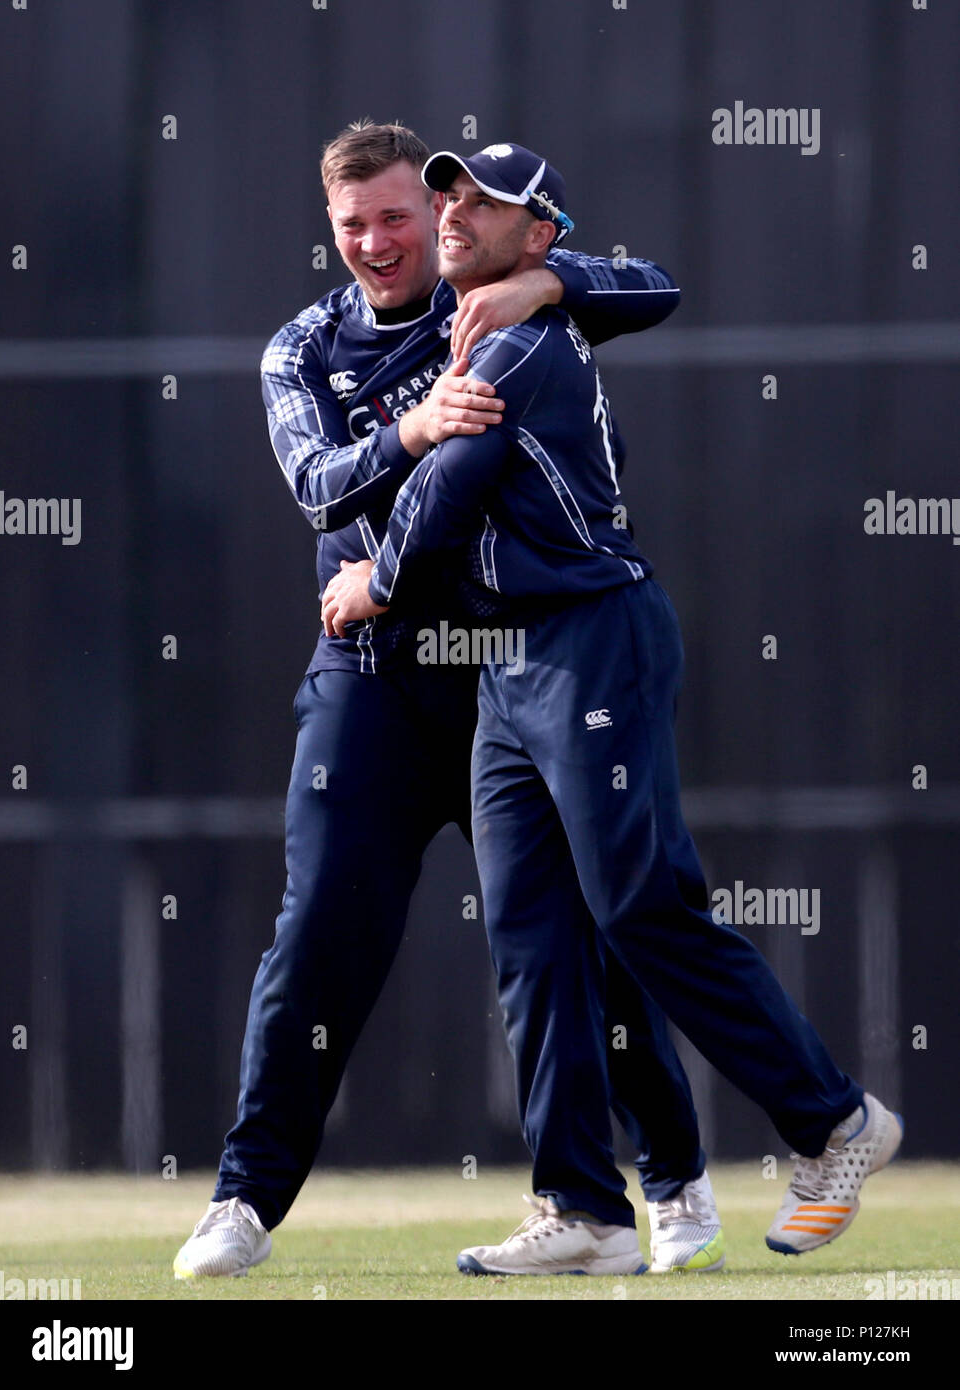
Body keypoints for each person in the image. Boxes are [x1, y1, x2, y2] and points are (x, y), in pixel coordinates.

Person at [321, 141, 903, 1277]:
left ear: (540, 236)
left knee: (637, 904)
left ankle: (835, 1122)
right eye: (450, 191)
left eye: (483, 203)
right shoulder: (499, 314)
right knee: (532, 937)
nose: (452, 212)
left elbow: (444, 488)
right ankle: (584, 1211)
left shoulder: (528, 338)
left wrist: (373, 583)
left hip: (594, 640)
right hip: (510, 668)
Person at [173, 121, 725, 1281]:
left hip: (509, 664)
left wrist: (549, 274)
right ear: (331, 230)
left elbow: (659, 286)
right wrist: (414, 428)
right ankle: (241, 1200)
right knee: (319, 923)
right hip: (370, 674)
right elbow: (320, 488)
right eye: (352, 224)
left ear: (443, 218)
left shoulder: (500, 298)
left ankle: (667, 1182)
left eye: (397, 219)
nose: (377, 242)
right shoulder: (302, 348)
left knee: (587, 929)